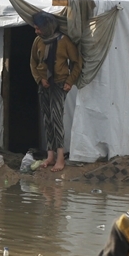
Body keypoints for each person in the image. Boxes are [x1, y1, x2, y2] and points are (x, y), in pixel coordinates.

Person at [29, 12, 82, 172]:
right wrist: (40, 79)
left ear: (47, 28)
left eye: (39, 28)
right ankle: (50, 156)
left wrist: (69, 81)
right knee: (47, 119)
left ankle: (60, 158)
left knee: (56, 119)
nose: (36, 31)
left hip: (59, 84)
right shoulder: (38, 41)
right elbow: (33, 62)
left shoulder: (64, 41)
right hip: (44, 85)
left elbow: (77, 62)